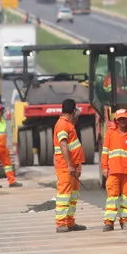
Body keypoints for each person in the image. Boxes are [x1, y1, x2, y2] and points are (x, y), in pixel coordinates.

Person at [100, 108, 127, 231]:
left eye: (124, 119)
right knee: (112, 198)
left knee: (126, 198)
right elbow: (105, 152)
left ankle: (125, 221)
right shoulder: (110, 133)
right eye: (120, 119)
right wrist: (104, 168)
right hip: (113, 172)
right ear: (116, 121)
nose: (122, 121)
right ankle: (109, 222)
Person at [53, 98, 86, 233]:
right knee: (64, 195)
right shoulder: (62, 125)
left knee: (72, 195)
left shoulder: (68, 123)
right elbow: (63, 144)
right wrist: (70, 165)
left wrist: (76, 165)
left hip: (73, 166)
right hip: (66, 167)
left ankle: (69, 222)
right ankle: (61, 223)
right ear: (73, 110)